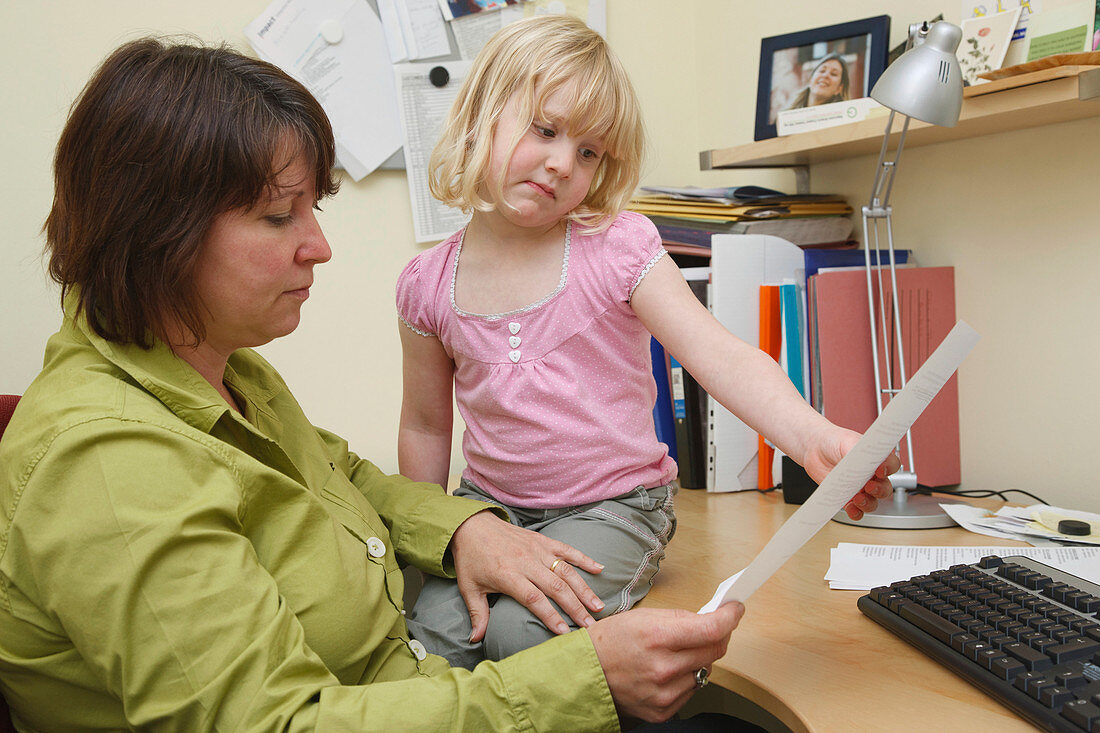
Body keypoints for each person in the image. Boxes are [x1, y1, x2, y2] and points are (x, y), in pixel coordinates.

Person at [0, 37, 753, 732]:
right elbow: (280, 724)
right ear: (156, 229)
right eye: (276, 216)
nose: (320, 246)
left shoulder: (223, 368)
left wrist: (465, 526)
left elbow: (346, 476)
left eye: (314, 209)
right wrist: (583, 678)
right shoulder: (108, 463)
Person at [396, 16, 895, 670]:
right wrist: (433, 535)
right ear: (480, 113)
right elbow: (427, 427)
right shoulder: (426, 285)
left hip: (614, 506)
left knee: (523, 638)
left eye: (588, 152)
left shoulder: (617, 247)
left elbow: (721, 356)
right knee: (433, 636)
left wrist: (813, 436)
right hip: (492, 510)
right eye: (546, 130)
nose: (561, 163)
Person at [785, 53, 850, 109]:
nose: (825, 75)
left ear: (839, 88)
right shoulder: (786, 115)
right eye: (822, 71)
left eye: (833, 74)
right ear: (810, 79)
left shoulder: (843, 120)